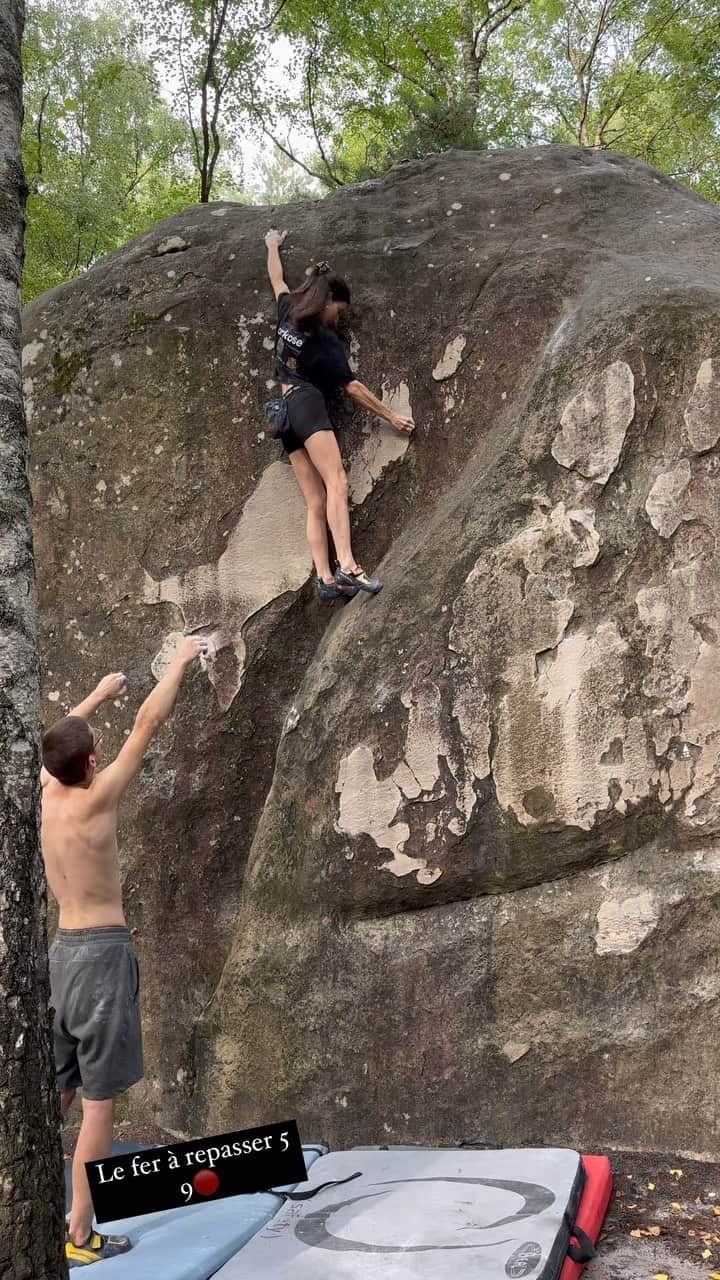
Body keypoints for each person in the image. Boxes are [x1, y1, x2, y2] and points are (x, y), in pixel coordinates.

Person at [40, 637, 207, 1267]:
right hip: (102, 957)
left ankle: (24, 1200)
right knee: (97, 1104)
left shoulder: (47, 792)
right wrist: (181, 660)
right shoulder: (97, 795)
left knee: (56, 1091)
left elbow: (60, 745)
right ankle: (80, 1234)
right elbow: (150, 723)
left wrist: (98, 695)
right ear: (91, 762)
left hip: (61, 957)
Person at [265, 228, 415, 601]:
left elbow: (276, 278)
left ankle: (325, 579)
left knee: (315, 501)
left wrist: (271, 246)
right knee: (338, 482)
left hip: (283, 416)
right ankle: (347, 566)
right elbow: (351, 386)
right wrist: (391, 416)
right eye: (338, 310)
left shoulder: (287, 311)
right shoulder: (324, 340)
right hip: (306, 404)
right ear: (328, 299)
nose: (337, 319)